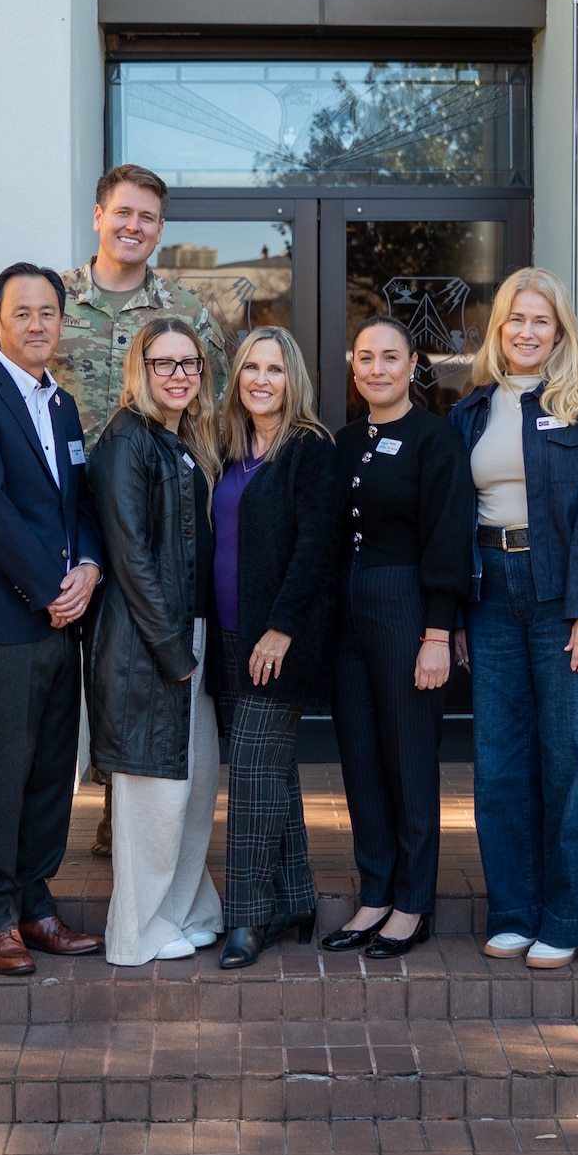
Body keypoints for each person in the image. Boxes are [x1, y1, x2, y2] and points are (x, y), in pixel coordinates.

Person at [29, 163, 229, 859]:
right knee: (43, 677)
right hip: (54, 514)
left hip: (145, 512)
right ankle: (18, 820)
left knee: (133, 665)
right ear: (98, 216)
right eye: (123, 213)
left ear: (161, 229)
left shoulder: (184, 313)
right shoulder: (49, 301)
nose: (134, 226)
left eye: (147, 217)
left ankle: (123, 805)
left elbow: (218, 409)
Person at [451, 269, 578, 970]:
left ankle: (564, 916)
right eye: (514, 320)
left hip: (564, 597)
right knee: (499, 762)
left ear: (560, 333)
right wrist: (458, 611)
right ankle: (513, 911)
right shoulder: (469, 413)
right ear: (498, 330)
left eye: (541, 322)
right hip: (489, 592)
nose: (526, 333)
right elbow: (453, 520)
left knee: (570, 758)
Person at [0, 263, 105, 976]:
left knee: (50, 771)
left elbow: (80, 504)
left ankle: (37, 906)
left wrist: (90, 568)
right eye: (23, 313)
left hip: (58, 617)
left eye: (48, 313)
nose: (37, 324)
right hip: (3, 618)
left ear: (61, 323)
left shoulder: (63, 405)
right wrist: (49, 587)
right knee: (5, 771)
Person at [322, 316, 473, 960]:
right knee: (360, 759)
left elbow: (447, 540)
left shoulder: (434, 440)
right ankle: (375, 893)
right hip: (347, 611)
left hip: (407, 605)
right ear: (352, 367)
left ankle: (413, 903)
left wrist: (437, 632)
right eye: (365, 358)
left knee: (409, 759)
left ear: (413, 364)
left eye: (390, 357)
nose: (377, 369)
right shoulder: (344, 439)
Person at [87, 319, 226, 965]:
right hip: (150, 642)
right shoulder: (126, 441)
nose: (178, 375)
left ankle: (184, 908)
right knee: (154, 798)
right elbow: (131, 556)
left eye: (189, 363)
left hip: (189, 634)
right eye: (164, 363)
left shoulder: (184, 441)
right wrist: (172, 650)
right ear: (139, 370)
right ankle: (136, 932)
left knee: (193, 789)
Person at [212, 327, 335, 970]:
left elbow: (318, 546)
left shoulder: (309, 449)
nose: (261, 379)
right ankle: (295, 898)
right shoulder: (228, 449)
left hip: (276, 639)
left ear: (294, 380)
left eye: (275, 369)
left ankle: (245, 921)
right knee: (274, 772)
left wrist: (282, 628)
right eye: (251, 368)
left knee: (253, 777)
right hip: (228, 636)